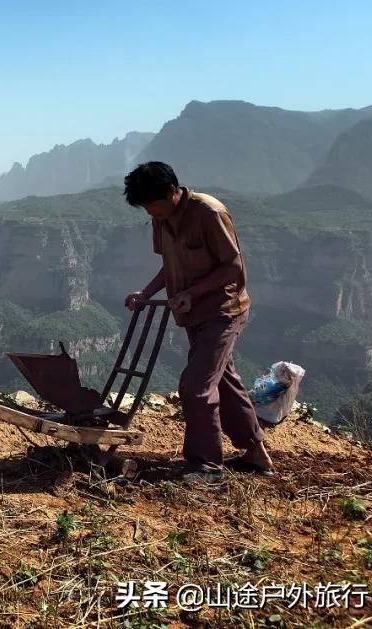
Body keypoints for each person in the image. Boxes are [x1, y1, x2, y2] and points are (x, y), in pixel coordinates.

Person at [123, 161, 272, 484]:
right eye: (145, 209)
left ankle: (206, 466)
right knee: (223, 380)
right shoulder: (162, 219)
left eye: (153, 205)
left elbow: (233, 266)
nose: (151, 214)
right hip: (193, 314)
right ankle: (255, 451)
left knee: (196, 386)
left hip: (223, 311)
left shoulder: (209, 213)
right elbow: (169, 265)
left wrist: (192, 291)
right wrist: (145, 293)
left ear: (172, 192)